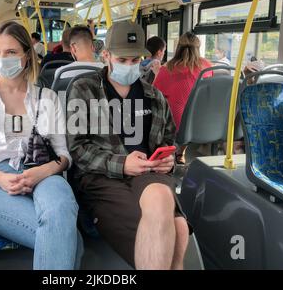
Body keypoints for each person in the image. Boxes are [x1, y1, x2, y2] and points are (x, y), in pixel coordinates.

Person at [67, 20, 190, 270]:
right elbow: (78, 149)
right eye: (122, 60)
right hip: (101, 177)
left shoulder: (154, 96)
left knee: (178, 226)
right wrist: (122, 164)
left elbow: (169, 141)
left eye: (135, 61)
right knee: (175, 228)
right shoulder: (84, 89)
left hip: (148, 172)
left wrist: (169, 160)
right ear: (106, 55)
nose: (130, 66)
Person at [0, 22, 83, 270]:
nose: (2, 59)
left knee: (60, 209)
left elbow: (63, 155)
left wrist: (45, 171)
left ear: (27, 56)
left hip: (42, 172)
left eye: (11, 53)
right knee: (71, 239)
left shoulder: (47, 97)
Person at [153, 32, 213, 164]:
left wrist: (157, 74)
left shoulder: (167, 68)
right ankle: (181, 152)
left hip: (177, 125)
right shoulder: (207, 66)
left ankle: (168, 153)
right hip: (204, 122)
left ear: (178, 47)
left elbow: (154, 94)